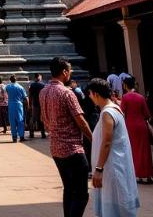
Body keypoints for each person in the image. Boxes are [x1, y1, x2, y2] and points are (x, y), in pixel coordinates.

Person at [40, 57, 93, 217]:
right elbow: (81, 122)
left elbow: (44, 120)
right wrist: (93, 139)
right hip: (73, 149)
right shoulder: (67, 93)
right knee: (82, 194)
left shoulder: (43, 92)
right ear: (64, 72)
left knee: (69, 189)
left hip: (56, 148)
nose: (70, 74)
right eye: (69, 71)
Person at [87, 78, 140, 217]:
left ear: (96, 94)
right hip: (115, 165)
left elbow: (106, 142)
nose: (90, 97)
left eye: (90, 94)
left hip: (112, 167)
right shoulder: (114, 109)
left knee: (115, 207)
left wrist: (98, 169)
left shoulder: (107, 113)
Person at [120, 77, 153, 184]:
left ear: (125, 85)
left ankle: (138, 175)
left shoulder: (125, 97)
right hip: (142, 126)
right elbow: (147, 114)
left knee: (134, 151)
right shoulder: (141, 97)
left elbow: (121, 112)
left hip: (130, 126)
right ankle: (148, 175)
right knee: (145, 150)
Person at [5, 76, 28, 143]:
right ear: (16, 80)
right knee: (20, 121)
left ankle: (14, 138)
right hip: (18, 105)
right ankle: (21, 136)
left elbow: (6, 91)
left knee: (12, 121)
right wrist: (28, 106)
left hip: (11, 105)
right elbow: (25, 98)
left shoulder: (8, 87)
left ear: (10, 80)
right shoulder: (20, 87)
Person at [29, 74, 47, 139]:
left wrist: (30, 104)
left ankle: (31, 134)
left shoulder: (32, 85)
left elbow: (30, 95)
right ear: (39, 77)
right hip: (41, 104)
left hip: (35, 104)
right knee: (41, 119)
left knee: (33, 119)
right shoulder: (43, 85)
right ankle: (43, 133)